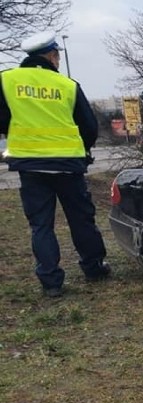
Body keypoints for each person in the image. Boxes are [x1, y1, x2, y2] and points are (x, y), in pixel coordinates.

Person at [0, 31, 109, 298]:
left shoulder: (6, 81)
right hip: (68, 164)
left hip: (31, 166)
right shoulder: (67, 85)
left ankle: (51, 282)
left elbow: (2, 119)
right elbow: (89, 126)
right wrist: (82, 148)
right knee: (81, 219)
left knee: (41, 225)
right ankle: (93, 267)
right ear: (52, 56)